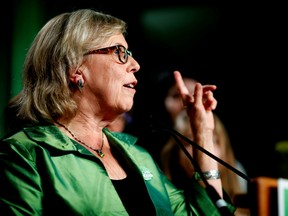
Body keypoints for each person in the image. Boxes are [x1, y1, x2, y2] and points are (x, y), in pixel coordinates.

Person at [0, 8, 236, 215]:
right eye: (120, 53)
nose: (135, 65)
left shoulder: (137, 156)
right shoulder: (23, 154)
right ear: (75, 67)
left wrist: (203, 132)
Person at [160, 110, 248, 199]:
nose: (199, 151)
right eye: (189, 143)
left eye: (210, 141)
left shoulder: (239, 175)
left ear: (224, 148)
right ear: (176, 153)